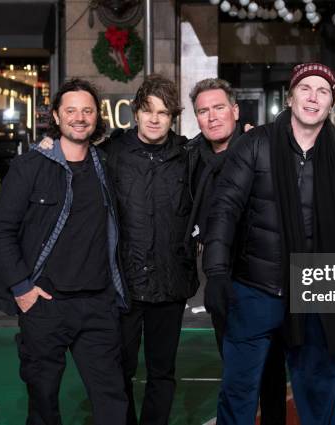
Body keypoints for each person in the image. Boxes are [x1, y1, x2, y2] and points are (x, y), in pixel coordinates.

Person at [202, 63, 335, 425]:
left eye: (323, 91)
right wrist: (215, 273)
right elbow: (224, 209)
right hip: (255, 289)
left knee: (320, 389)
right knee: (239, 390)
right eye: (305, 88)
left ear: (331, 103)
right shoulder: (255, 143)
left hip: (316, 292)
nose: (313, 97)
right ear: (290, 96)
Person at [0, 78, 129, 425]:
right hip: (45, 304)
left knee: (113, 403)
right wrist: (21, 289)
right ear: (57, 116)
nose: (80, 117)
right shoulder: (29, 168)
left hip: (98, 306)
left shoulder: (107, 166)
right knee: (44, 405)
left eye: (87, 110)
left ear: (98, 116)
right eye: (71, 111)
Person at [187, 78, 286, 425]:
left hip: (262, 280)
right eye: (203, 110)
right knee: (235, 373)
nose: (212, 117)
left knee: (272, 374)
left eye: (218, 108)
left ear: (235, 110)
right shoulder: (191, 157)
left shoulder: (266, 149)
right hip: (219, 280)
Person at [105, 74, 198, 425]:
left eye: (163, 112)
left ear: (173, 117)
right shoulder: (111, 154)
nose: (155, 118)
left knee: (162, 371)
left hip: (170, 283)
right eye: (148, 110)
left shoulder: (188, 157)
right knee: (120, 370)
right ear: (136, 112)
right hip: (123, 285)